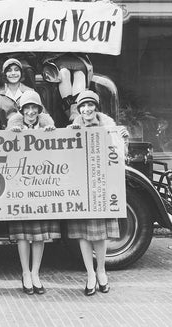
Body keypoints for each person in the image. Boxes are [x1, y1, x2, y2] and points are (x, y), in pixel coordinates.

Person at [67, 90, 125, 296]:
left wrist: (120, 138)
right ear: (78, 109)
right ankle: (90, 273)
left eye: (90, 105)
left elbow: (118, 155)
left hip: (100, 186)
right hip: (81, 188)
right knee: (83, 234)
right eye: (83, 106)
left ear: (96, 107)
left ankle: (101, 270)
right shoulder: (72, 127)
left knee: (100, 233)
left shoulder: (108, 127)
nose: (87, 109)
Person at [6, 90, 59, 295]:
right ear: (22, 110)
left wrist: (52, 133)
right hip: (21, 186)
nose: (30, 112)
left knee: (39, 235)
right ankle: (25, 272)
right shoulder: (14, 126)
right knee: (23, 234)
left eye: (33, 108)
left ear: (38, 110)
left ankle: (36, 272)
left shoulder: (45, 126)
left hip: (40, 186)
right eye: (26, 108)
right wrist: (12, 134)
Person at [42, 0, 96, 121]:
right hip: (59, 55)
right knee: (64, 73)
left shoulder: (85, 6)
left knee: (79, 74)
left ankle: (76, 109)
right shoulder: (53, 7)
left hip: (78, 55)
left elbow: (99, 10)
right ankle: (69, 109)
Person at [0, 58, 35, 129]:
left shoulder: (30, 92)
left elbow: (42, 115)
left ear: (21, 73)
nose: (13, 73)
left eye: (16, 70)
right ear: (4, 74)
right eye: (9, 70)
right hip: (6, 135)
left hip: (28, 134)